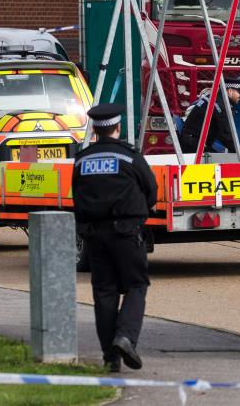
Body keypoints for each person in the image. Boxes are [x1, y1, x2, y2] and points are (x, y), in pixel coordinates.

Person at [73, 104, 158, 373]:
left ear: (95, 129)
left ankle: (111, 356)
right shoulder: (130, 156)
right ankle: (125, 337)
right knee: (136, 285)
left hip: (94, 236)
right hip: (127, 232)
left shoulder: (82, 159)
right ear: (117, 127)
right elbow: (151, 189)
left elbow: (76, 193)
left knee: (105, 292)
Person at [179, 76, 240, 153]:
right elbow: (226, 135)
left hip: (191, 141)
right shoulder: (222, 105)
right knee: (218, 162)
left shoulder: (214, 98)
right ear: (230, 91)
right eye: (239, 92)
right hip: (194, 144)